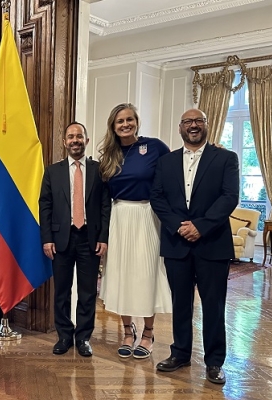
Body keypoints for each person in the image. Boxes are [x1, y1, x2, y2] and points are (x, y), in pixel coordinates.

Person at [150, 108, 239, 385]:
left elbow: (229, 197)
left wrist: (201, 226)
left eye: (198, 120)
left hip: (212, 243)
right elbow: (157, 197)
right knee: (180, 303)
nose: (193, 125)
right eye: (188, 121)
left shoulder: (226, 158)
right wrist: (179, 225)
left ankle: (214, 362)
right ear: (180, 128)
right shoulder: (166, 162)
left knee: (214, 305)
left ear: (207, 125)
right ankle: (180, 354)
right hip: (177, 243)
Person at [97, 103, 172, 359]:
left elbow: (177, 169)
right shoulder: (108, 154)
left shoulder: (154, 147)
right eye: (120, 121)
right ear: (113, 126)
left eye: (129, 119)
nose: (125, 124)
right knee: (122, 276)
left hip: (147, 217)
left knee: (146, 275)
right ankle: (128, 332)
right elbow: (104, 199)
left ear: (137, 122)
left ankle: (149, 334)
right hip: (119, 217)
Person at [39, 122, 110, 357]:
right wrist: (47, 238)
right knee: (62, 290)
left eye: (79, 136)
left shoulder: (99, 170)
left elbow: (104, 206)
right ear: (64, 141)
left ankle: (83, 338)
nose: (75, 140)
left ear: (86, 141)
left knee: (88, 291)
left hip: (90, 238)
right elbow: (45, 205)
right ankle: (64, 335)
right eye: (71, 136)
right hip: (61, 239)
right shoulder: (52, 171)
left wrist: (103, 237)